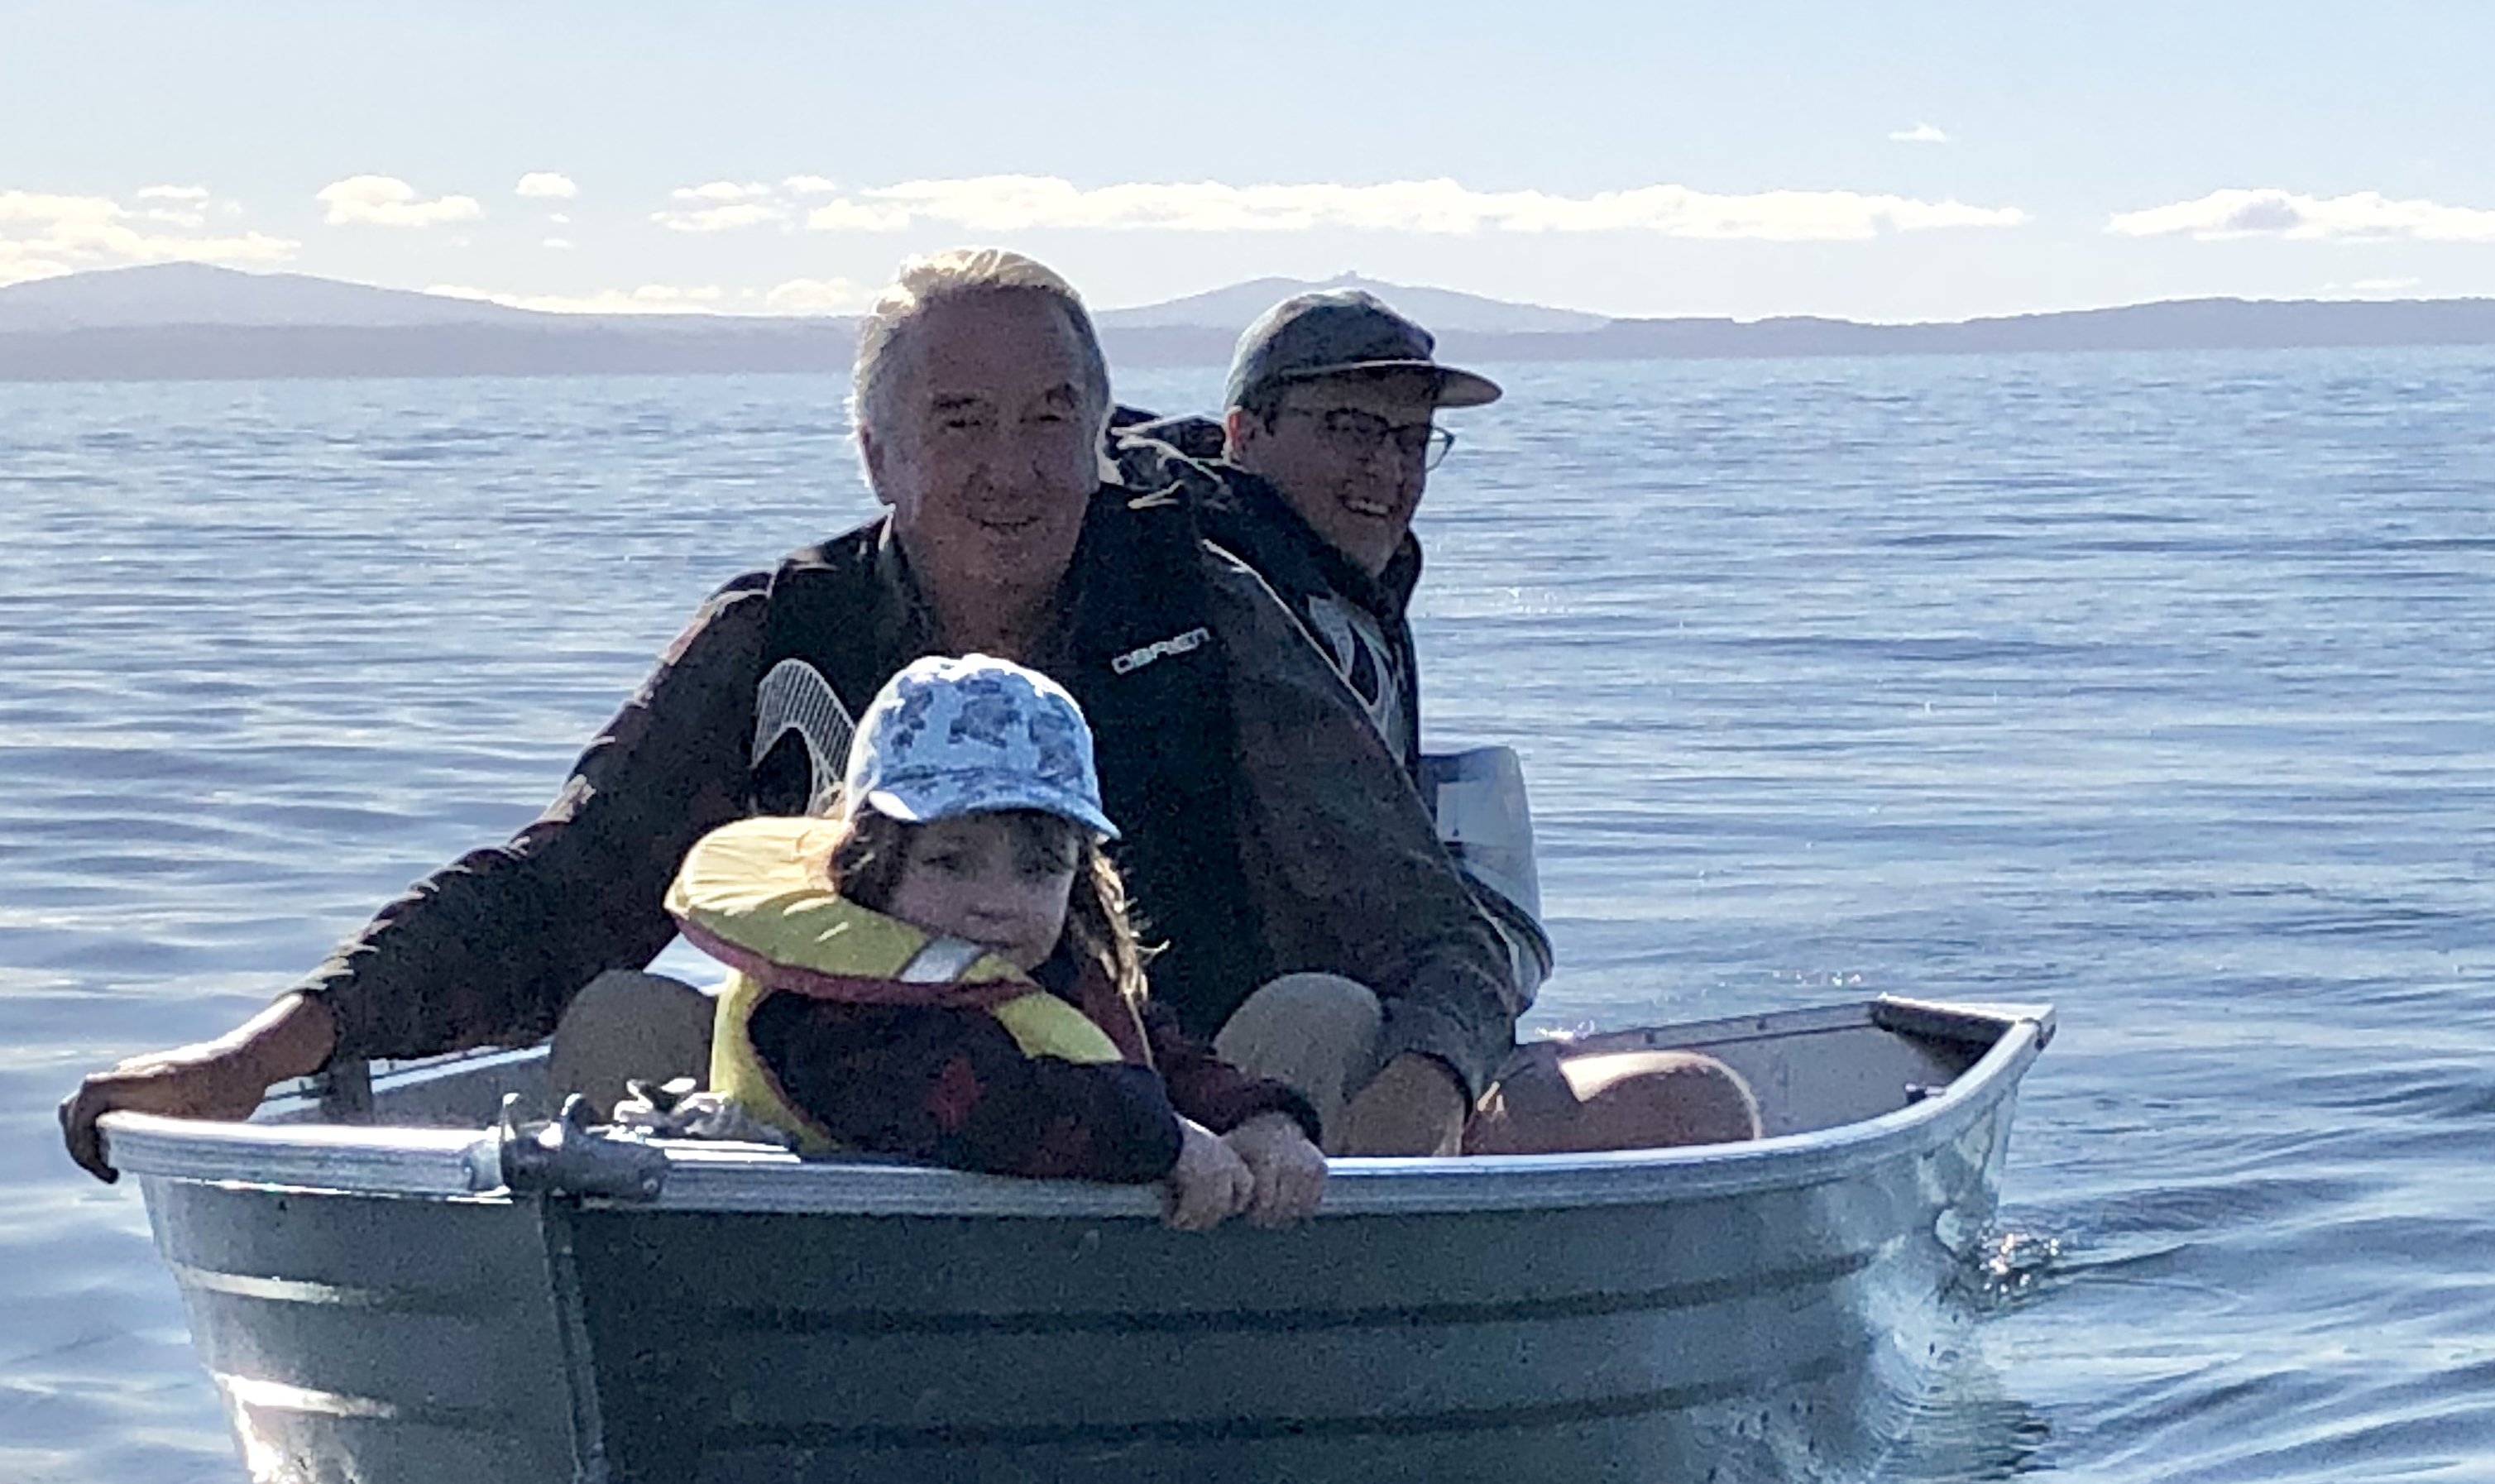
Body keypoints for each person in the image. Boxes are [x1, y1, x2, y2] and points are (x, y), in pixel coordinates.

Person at [60, 247, 1516, 1179]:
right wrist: (254, 1056)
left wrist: (1427, 1091)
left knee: (1330, 1013)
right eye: (959, 421)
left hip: (1173, 1150)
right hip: (847, 1150)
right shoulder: (783, 636)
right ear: (876, 450)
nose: (1012, 467)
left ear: (1105, 428)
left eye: (1051, 415)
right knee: (623, 1011)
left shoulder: (1208, 609)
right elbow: (553, 891)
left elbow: (1435, 929)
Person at [1117, 289, 1763, 1153]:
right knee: (1689, 1107)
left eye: (1410, 439)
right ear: (1244, 433)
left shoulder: (1337, 592)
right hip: (1258, 1084)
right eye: (1349, 428)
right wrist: (1433, 1059)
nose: (1385, 470)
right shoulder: (1223, 604)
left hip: (1335, 1039)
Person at [673, 653, 1324, 1230]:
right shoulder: (822, 1015)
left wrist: (1259, 1120)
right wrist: (1167, 1143)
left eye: (1039, 870)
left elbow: (1165, 1061)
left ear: (1080, 878)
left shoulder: (1051, 978)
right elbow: (994, 1111)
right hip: (859, 1282)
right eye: (951, 862)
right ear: (871, 862)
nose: (997, 903)